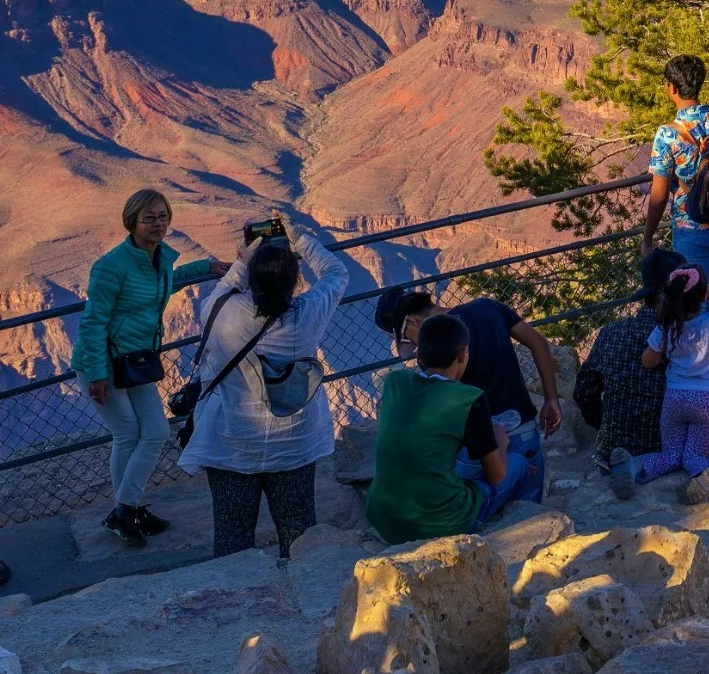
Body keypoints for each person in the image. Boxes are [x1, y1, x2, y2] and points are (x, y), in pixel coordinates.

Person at [180, 211, 350, 558]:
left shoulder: (220, 311)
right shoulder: (308, 314)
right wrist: (300, 238)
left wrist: (245, 256)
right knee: (300, 534)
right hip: (294, 443)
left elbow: (228, 285)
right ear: (295, 279)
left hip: (232, 443)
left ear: (251, 278)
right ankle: (305, 598)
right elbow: (336, 273)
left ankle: (238, 601)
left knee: (232, 538)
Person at [74, 188, 225, 548]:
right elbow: (93, 322)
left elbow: (165, 285)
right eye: (149, 218)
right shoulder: (111, 266)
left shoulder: (158, 258)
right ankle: (128, 510)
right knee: (127, 433)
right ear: (132, 222)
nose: (158, 224)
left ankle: (126, 510)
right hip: (104, 363)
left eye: (162, 216)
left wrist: (207, 267)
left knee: (155, 431)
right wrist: (96, 373)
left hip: (136, 360)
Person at [376, 284, 562, 506]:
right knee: (530, 506)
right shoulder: (488, 306)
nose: (416, 346)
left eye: (409, 338)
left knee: (483, 503)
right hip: (522, 430)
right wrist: (551, 400)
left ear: (414, 322)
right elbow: (539, 343)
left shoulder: (435, 351)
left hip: (475, 450)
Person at [367, 313, 525, 543]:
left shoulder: (395, 383)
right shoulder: (469, 399)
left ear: (419, 355)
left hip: (383, 519)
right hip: (440, 523)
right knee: (519, 463)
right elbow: (497, 475)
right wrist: (501, 440)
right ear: (463, 354)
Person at [609, 266, 709, 504]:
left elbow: (648, 361)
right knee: (692, 455)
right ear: (702, 297)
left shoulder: (666, 328)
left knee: (670, 454)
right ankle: (702, 470)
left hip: (675, 397)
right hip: (707, 401)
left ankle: (634, 465)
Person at [641, 54, 709, 299]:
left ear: (672, 88)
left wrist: (648, 238)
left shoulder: (668, 135)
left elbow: (658, 196)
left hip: (691, 223)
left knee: (695, 292)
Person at [575, 248, 680, 475]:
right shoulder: (684, 339)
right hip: (666, 451)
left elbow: (583, 392)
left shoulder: (610, 334)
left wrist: (605, 425)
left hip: (611, 454)